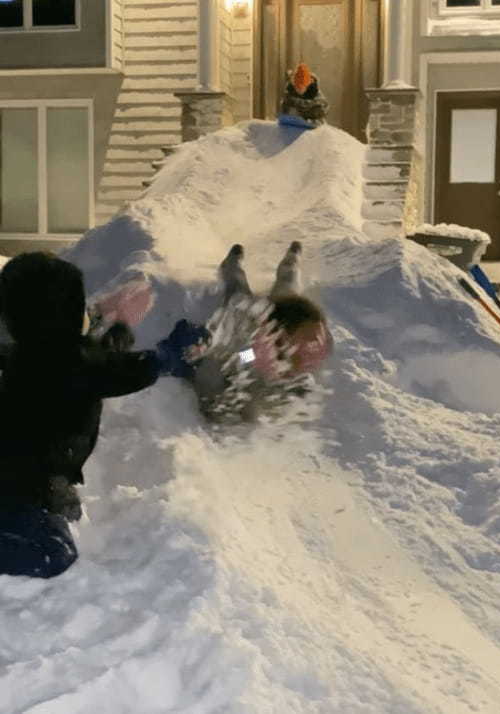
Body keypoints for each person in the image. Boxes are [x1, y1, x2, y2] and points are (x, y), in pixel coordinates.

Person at [0, 252, 198, 579]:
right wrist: (168, 353)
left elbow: (90, 362)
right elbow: (122, 372)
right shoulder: (65, 362)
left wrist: (110, 336)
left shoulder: (35, 350)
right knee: (54, 555)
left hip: (26, 471)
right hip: (17, 483)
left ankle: (48, 496)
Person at [183, 242, 333, 423]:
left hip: (287, 319)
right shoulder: (255, 348)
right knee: (238, 293)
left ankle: (292, 258)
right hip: (260, 324)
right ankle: (232, 264)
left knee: (289, 281)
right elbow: (235, 360)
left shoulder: (315, 345)